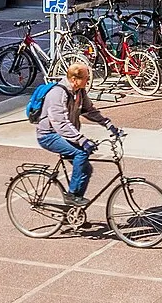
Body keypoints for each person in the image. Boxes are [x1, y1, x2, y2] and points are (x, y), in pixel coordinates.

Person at [34, 61, 120, 201]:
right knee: (80, 152)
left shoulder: (79, 91)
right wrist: (82, 140)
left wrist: (108, 124)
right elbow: (60, 124)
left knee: (86, 169)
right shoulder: (57, 93)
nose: (88, 80)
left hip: (65, 134)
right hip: (49, 135)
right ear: (74, 79)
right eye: (86, 78)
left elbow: (89, 110)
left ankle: (74, 211)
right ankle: (72, 195)